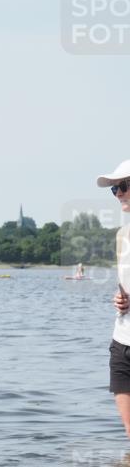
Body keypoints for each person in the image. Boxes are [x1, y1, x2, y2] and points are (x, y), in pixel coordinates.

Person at [103, 159, 130, 436]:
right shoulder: (122, 235)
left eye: (123, 186)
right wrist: (120, 299)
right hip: (122, 343)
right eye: (114, 189)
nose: (118, 193)